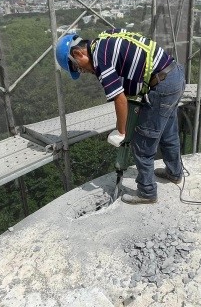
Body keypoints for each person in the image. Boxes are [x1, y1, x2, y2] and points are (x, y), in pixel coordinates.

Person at [55, 29, 185, 204]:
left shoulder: (100, 61)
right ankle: (175, 173)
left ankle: (147, 192)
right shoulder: (105, 39)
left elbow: (120, 99)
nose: (83, 71)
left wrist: (121, 131)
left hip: (161, 86)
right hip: (174, 75)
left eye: (78, 67)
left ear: (78, 53)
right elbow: (132, 66)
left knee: (143, 143)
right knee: (168, 133)